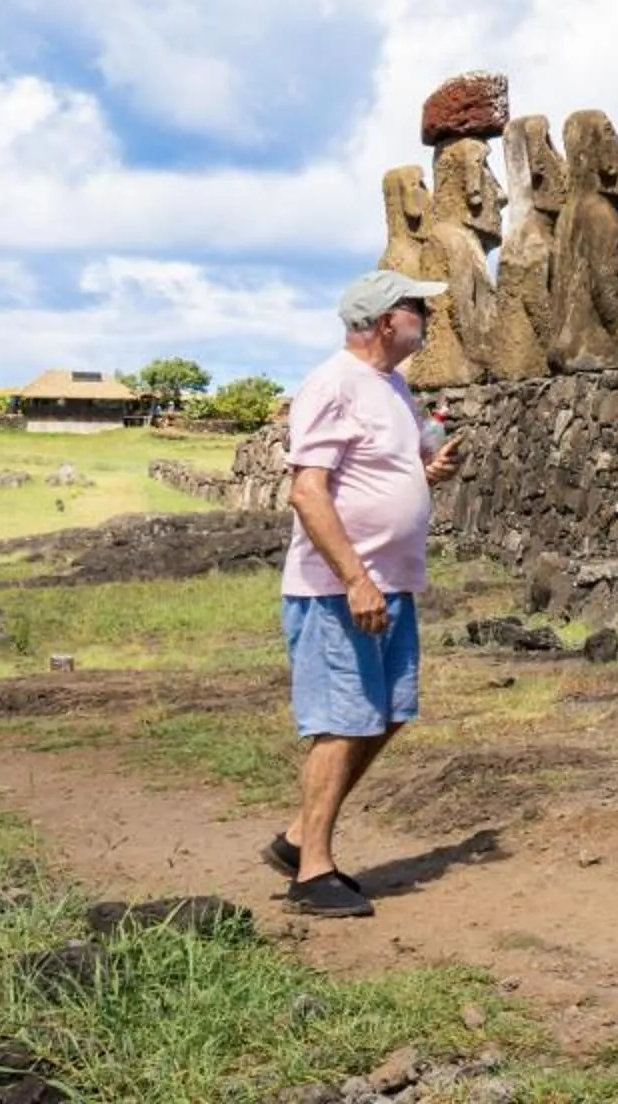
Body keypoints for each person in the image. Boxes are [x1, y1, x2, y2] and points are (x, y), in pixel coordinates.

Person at [269, 267, 462, 917]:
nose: (426, 320)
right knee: (342, 722)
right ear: (385, 321)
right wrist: (354, 579)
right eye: (417, 309)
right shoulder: (333, 384)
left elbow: (381, 477)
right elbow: (307, 490)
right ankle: (312, 871)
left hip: (392, 583)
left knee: (388, 714)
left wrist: (426, 473)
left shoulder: (392, 385)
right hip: (339, 590)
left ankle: (299, 838)